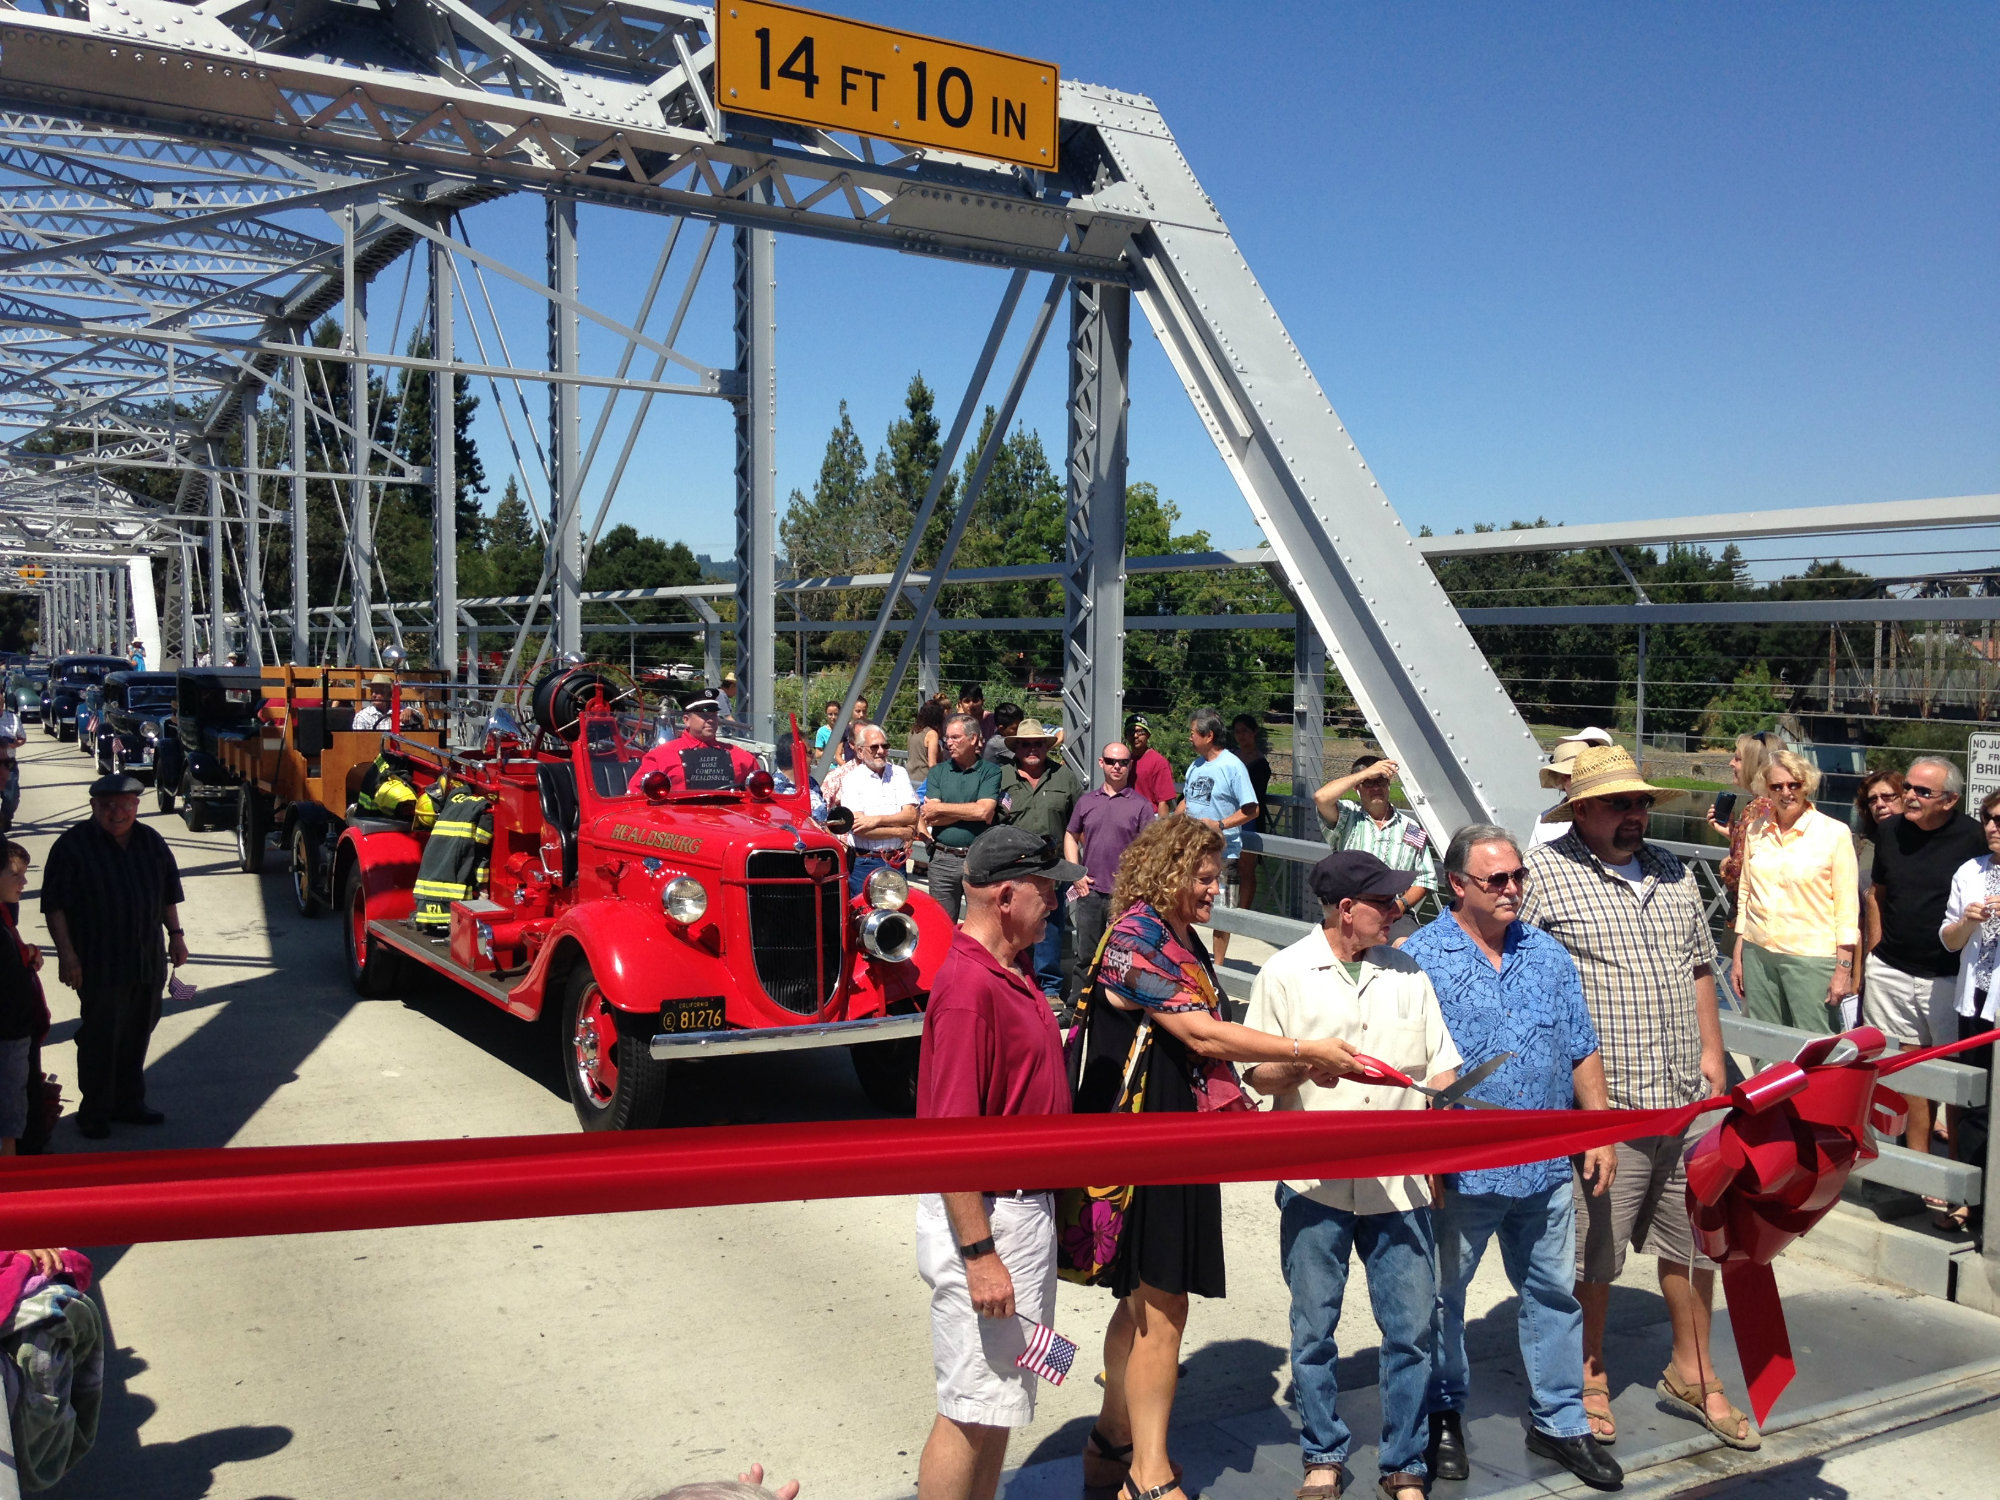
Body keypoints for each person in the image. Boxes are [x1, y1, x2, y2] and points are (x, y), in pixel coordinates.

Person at [1072, 815, 1362, 1500]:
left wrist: (1292, 1070)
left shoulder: (1179, 938)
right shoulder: (1137, 938)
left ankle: (1111, 1442)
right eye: (1203, 877)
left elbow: (1209, 1051)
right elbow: (1202, 1036)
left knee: (1143, 1302)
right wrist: (1304, 1048)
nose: (1215, 888)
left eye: (1218, 876)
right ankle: (1148, 1476)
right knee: (1163, 1304)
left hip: (1175, 1138)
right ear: (1167, 872)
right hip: (1145, 1146)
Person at [1521, 746, 1755, 1451]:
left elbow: (1699, 966)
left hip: (1684, 1096)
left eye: (1642, 803)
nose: (1636, 815)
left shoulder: (1672, 870)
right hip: (1607, 1102)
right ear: (1582, 809)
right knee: (1595, 1251)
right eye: (1620, 804)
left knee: (1695, 1244)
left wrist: (1713, 1054)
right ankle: (1588, 1374)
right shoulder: (1544, 875)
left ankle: (1693, 1371)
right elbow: (1520, 973)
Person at [1403, 826, 1623, 1491]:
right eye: (1495, 879)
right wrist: (1423, 1155)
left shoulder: (1547, 955)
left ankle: (1560, 1421)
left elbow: (1581, 1044)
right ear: (1457, 884)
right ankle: (1442, 1415)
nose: (1512, 889)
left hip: (1545, 1166)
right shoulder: (1418, 959)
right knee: (1442, 1299)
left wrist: (1599, 1129)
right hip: (1461, 1172)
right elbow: (1406, 1065)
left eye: (1518, 876)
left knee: (1553, 1294)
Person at [1243, 850, 1462, 1500]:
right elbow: (1256, 1075)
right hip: (1315, 1184)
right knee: (1313, 1331)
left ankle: (1405, 1463)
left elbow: (1441, 1066)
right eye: (1384, 902)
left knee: (1411, 1332)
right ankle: (1323, 1454)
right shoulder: (1284, 973)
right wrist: (1305, 1065)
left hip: (1401, 1186)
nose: (1397, 910)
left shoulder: (1409, 972)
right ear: (1347, 909)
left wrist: (1442, 1140)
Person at [913, 826, 1082, 1500]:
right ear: (1006, 897)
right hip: (990, 1219)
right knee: (968, 1408)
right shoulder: (967, 989)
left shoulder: (1010, 970)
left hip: (1019, 1214)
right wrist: (980, 1254)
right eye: (1046, 891)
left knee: (1000, 1400)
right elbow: (949, 1140)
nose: (1056, 903)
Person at [41, 773, 189, 1140]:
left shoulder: (151, 841)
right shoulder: (72, 846)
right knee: (100, 1035)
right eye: (108, 806)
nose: (117, 813)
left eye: (125, 806)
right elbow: (55, 907)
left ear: (136, 806)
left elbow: (167, 894)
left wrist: (176, 936)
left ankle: (129, 1102)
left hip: (147, 958)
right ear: (93, 806)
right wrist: (67, 956)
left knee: (139, 1030)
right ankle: (94, 1111)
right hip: (99, 962)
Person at [1866, 755, 1986, 1165]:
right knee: (1908, 1071)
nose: (1909, 797)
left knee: (1953, 1077)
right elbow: (1878, 893)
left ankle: (1954, 1172)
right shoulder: (1889, 831)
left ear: (1949, 800)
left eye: (1922, 791)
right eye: (1907, 787)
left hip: (1949, 977)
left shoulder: (1974, 838)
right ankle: (1920, 1172)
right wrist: (1874, 951)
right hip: (1891, 969)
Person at [1729, 748, 1858, 1035]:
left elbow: (1847, 910)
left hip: (1810, 958)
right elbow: (1746, 892)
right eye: (1777, 786)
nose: (1786, 793)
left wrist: (1844, 968)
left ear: (1806, 785)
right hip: (1758, 952)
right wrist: (1739, 952)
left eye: (1794, 785)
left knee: (1814, 1044)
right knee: (1764, 1040)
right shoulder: (1755, 830)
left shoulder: (1835, 833)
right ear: (1767, 789)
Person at [1941, 785, 2000, 1243]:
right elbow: (1949, 940)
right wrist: (1966, 922)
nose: (1992, 827)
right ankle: (1971, 1202)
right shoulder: (1970, 871)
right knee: (1975, 1104)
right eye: (1987, 818)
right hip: (1976, 1003)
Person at [1063, 741, 1156, 1008]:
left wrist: (1137, 885)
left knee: (1122, 955)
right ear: (1101, 763)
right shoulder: (1086, 801)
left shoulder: (1141, 806)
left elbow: (1150, 850)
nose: (1117, 767)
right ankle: (1077, 1007)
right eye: (1112, 761)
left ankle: (1114, 1010)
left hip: (1124, 895)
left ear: (1130, 765)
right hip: (1090, 891)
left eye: (1123, 762)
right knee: (1086, 954)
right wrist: (1076, 873)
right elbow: (1070, 835)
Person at [1311, 754, 1440, 941]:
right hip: (1350, 910)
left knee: (1406, 947)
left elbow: (1425, 879)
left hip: (1393, 912)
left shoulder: (1411, 828)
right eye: (1368, 783)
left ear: (1388, 785)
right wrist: (1366, 772)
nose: (1376, 788)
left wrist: (1400, 906)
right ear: (1357, 787)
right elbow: (1321, 797)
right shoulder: (1347, 817)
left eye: (1381, 781)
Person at [997, 720, 1080, 999]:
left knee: (1050, 926)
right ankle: (1013, 980)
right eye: (1025, 744)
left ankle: (1049, 987)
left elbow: (1079, 823)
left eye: (1038, 744)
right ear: (1016, 748)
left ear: (1046, 747)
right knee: (1011, 924)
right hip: (1013, 866)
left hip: (1050, 867)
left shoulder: (1064, 777)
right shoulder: (1001, 778)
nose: (1032, 749)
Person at [1179, 708, 1259, 968]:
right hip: (1191, 852)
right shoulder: (1195, 765)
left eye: (1193, 733)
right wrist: (1168, 826)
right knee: (1184, 905)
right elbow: (1187, 801)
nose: (1189, 738)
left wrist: (1220, 825)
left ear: (1209, 735)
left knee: (1222, 913)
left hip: (1224, 855)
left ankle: (1219, 969)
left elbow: (1251, 809)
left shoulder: (1232, 766)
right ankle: (1187, 959)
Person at [918, 714, 1001, 923]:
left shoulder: (991, 772)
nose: (948, 743)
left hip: (978, 859)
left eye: (955, 737)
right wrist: (971, 809)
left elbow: (984, 812)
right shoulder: (938, 772)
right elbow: (930, 817)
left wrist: (941, 808)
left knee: (981, 925)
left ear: (973, 739)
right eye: (947, 738)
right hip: (942, 859)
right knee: (942, 925)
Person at [825, 724, 919, 898]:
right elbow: (860, 828)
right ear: (860, 751)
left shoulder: (899, 773)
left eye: (885, 746)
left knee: (895, 912)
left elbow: (911, 815)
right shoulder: (851, 779)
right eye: (874, 747)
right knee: (864, 912)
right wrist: (901, 831)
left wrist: (876, 820)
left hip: (896, 861)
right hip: (865, 862)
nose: (881, 751)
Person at [0, 844, 46, 1156]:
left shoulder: (4, 915)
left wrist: (26, 953)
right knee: (8, 1117)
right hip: (7, 1033)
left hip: (15, 1031)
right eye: (15, 874)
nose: (24, 882)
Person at [411, 779, 496, 932]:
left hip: (425, 901)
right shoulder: (482, 809)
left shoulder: (450, 806)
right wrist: (482, 887)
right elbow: (481, 855)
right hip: (453, 903)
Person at [1706, 731, 1776, 909]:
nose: (1731, 763)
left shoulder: (1756, 809)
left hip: (1751, 915)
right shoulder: (1778, 806)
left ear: (1753, 765)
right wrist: (1734, 835)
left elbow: (1737, 876)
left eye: (1737, 759)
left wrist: (1725, 866)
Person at [636, 694, 760, 792]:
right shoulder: (659, 757)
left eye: (714, 715)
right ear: (686, 720)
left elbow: (760, 795)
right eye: (704, 715)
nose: (711, 720)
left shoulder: (743, 758)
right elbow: (636, 795)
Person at [1532, 729, 1614, 847]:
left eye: (1582, 773)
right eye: (1569, 775)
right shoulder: (1544, 823)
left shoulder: (1615, 814)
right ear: (1560, 779)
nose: (1577, 780)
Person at [1228, 715, 1272, 911]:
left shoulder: (1260, 764)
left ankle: (1244, 910)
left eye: (1245, 731)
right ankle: (1225, 908)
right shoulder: (1231, 757)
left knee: (1246, 869)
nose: (1241, 736)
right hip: (1227, 815)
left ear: (1254, 732)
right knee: (1223, 864)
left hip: (1248, 819)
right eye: (1237, 732)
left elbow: (1254, 795)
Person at [1124, 715, 1177, 815]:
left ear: (1148, 735)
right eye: (1131, 732)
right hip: (1128, 816)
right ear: (1126, 736)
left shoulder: (1159, 762)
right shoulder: (1124, 761)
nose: (1135, 736)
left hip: (1150, 817)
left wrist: (1161, 824)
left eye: (1140, 732)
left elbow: (1164, 802)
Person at [907, 698, 946, 792]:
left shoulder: (913, 731)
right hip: (925, 782)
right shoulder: (932, 734)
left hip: (911, 779)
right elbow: (932, 764)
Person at [0, 711, 24, 834]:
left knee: (12, 796)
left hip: (8, 762)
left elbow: (22, 738)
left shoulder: (13, 718)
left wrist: (14, 744)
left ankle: (5, 818)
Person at [981, 704, 1024, 768]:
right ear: (1001, 729)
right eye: (1016, 728)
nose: (1021, 730)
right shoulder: (999, 743)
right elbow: (1025, 753)